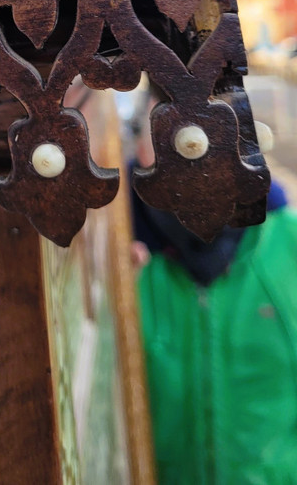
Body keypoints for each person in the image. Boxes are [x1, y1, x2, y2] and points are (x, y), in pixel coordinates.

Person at [130, 94, 297, 485]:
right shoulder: (120, 260)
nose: (190, 168)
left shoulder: (287, 247)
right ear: (140, 151)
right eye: (165, 138)